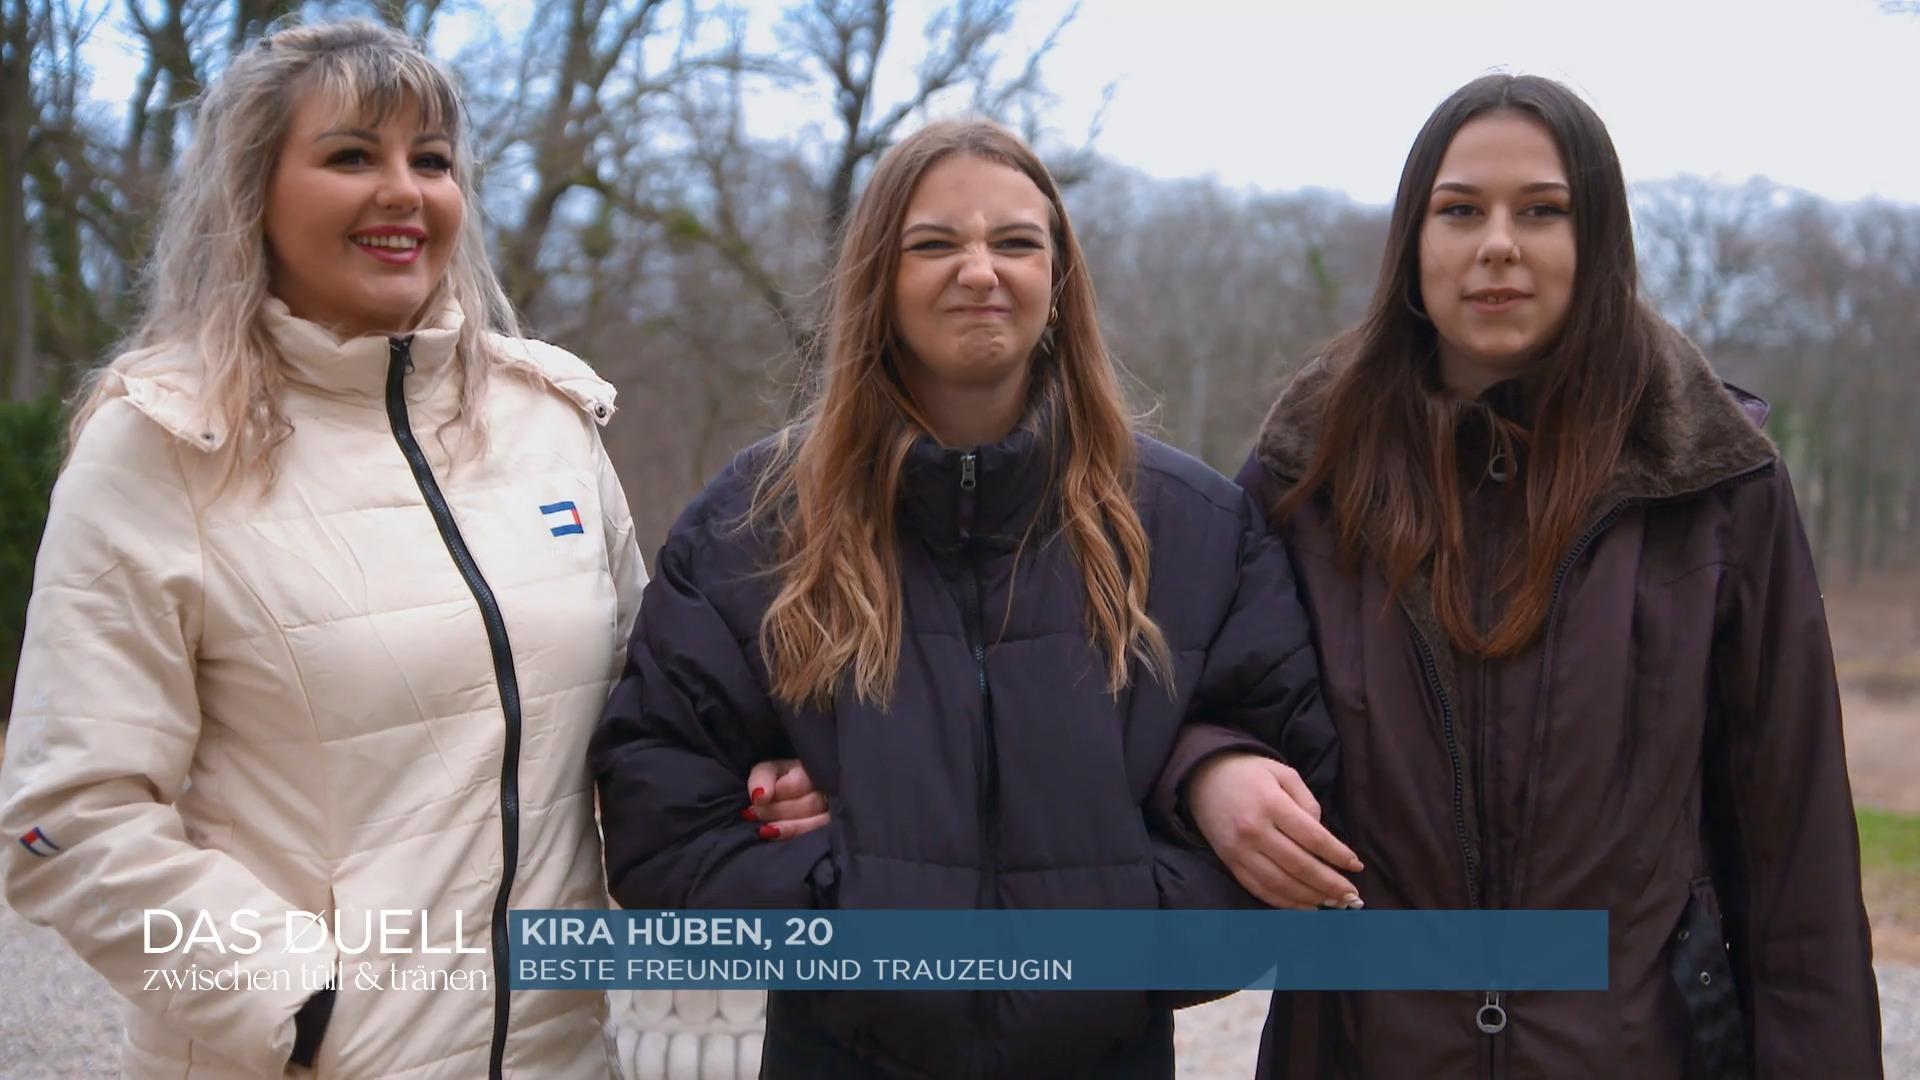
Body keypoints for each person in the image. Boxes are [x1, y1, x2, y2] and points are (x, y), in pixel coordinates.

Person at [588, 117, 1350, 1078]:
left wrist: (1119, 927)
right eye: (936, 243)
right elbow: (660, 813)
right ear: (880, 279)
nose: (980, 271)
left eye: (1016, 242)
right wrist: (851, 909)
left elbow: (1297, 787)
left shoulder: (1192, 527)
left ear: (1060, 281)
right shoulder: (756, 524)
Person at [1161, 74, 1884, 1077]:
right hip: (1362, 1051)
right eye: (1461, 211)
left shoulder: (1716, 481)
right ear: (1414, 242)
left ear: (1599, 244)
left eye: (1542, 211)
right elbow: (1189, 694)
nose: (1498, 243)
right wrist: (1210, 767)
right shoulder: (1305, 472)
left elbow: (1792, 845)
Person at [0, 21, 643, 1078]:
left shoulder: (550, 421)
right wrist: (305, 1010)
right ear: (253, 190)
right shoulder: (160, 446)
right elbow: (63, 825)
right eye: (352, 156)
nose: (404, 191)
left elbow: (641, 729)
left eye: (429, 160)